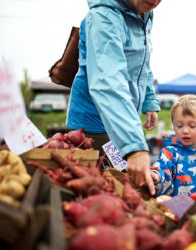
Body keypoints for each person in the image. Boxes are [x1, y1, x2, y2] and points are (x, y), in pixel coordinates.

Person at [66, 0, 162, 195]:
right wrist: (134, 148)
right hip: (95, 122)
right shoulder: (103, 17)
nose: (155, 0)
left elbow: (143, 62)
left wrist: (149, 100)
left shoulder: (144, 11)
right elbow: (108, 82)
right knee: (107, 193)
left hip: (124, 118)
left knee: (126, 188)